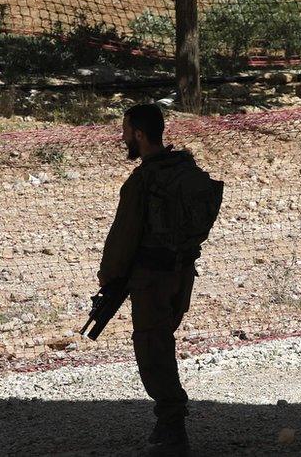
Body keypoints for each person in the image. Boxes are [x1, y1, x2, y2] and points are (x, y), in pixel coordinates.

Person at [97, 104, 218, 454]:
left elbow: (123, 237)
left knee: (153, 348)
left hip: (152, 279)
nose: (122, 138)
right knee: (162, 341)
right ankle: (169, 424)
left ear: (139, 134)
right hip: (181, 275)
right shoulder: (186, 170)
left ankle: (172, 427)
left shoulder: (143, 181)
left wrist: (109, 278)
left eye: (125, 131)